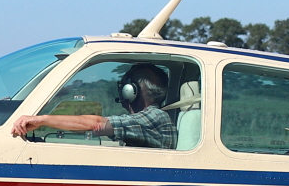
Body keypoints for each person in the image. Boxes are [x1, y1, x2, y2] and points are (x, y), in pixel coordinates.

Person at [10, 63, 177, 148]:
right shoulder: (146, 119)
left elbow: (98, 124)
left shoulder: (155, 118)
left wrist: (42, 120)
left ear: (131, 90)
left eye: (124, 86)